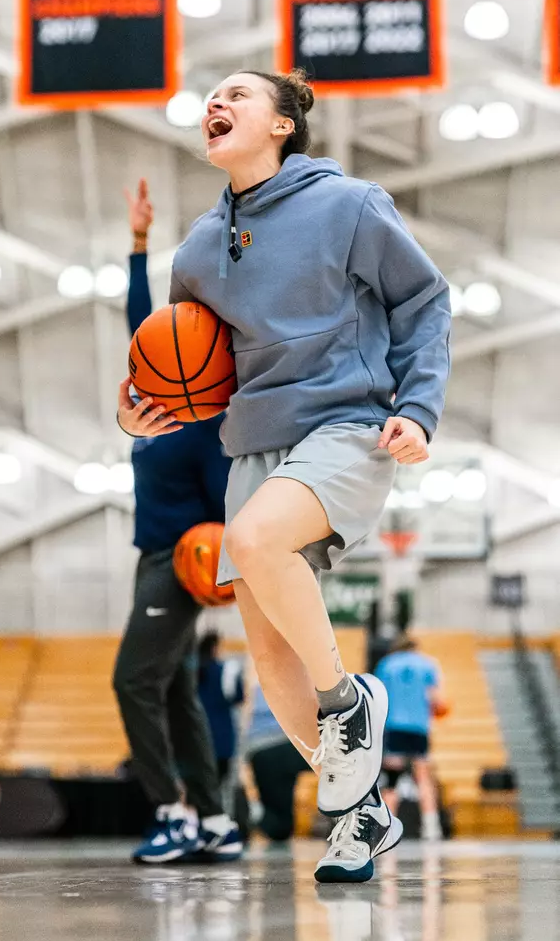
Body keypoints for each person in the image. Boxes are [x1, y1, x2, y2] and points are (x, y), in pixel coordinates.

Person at [118, 68, 451, 882]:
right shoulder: (197, 248)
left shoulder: (351, 205)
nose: (216, 104)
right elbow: (191, 371)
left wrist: (420, 408)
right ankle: (360, 816)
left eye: (238, 94)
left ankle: (349, 701)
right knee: (269, 660)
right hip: (252, 447)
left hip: (347, 423)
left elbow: (425, 303)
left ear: (281, 125)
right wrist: (138, 413)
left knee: (258, 538)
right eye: (211, 98)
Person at [113, 183, 242, 864]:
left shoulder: (208, 423)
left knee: (131, 680)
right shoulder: (156, 385)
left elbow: (227, 510)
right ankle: (216, 820)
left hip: (177, 562)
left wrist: (214, 562)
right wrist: (137, 245)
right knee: (176, 689)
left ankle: (172, 811)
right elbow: (142, 322)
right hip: (153, 557)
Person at [376, 634, 446, 841]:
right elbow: (437, 699)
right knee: (423, 776)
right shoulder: (427, 665)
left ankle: (387, 828)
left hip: (394, 727)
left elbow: (379, 696)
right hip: (418, 728)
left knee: (392, 779)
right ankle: (431, 827)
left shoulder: (386, 665)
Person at [246, 682, 310, 841]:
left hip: (261, 749)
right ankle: (254, 814)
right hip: (275, 746)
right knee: (279, 824)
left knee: (279, 823)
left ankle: (255, 813)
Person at [197, 631, 245, 783]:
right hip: (220, 739)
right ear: (215, 648)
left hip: (193, 737)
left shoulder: (189, 670)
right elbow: (239, 697)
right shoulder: (226, 672)